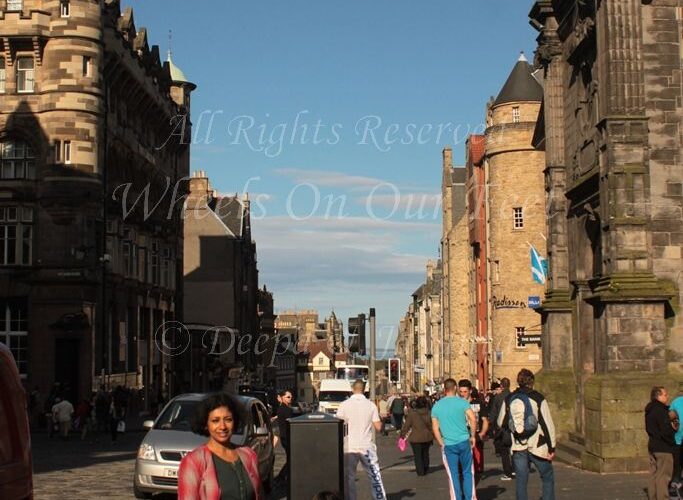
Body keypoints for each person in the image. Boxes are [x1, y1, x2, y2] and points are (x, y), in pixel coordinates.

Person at [178, 393, 262, 500]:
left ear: (235, 421)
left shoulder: (249, 456)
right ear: (205, 424)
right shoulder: (193, 462)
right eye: (215, 421)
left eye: (228, 419)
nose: (222, 426)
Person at [498, 369, 556, 500]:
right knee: (547, 476)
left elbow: (501, 421)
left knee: (521, 481)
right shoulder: (538, 398)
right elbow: (547, 423)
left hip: (519, 446)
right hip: (537, 444)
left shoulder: (509, 398)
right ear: (532, 382)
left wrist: (514, 429)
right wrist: (552, 447)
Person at [336, 379, 386, 500]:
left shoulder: (344, 405)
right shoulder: (371, 405)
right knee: (374, 474)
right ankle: (379, 498)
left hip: (349, 446)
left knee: (349, 476)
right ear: (364, 390)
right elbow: (379, 427)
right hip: (366, 445)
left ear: (353, 389)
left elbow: (338, 425)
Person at [432, 378, 477, 500]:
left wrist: (442, 443)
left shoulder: (437, 406)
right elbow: (473, 419)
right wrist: (472, 436)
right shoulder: (462, 402)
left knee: (453, 475)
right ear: (455, 388)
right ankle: (470, 498)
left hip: (449, 444)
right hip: (464, 441)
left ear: (444, 389)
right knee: (468, 473)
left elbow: (435, 428)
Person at [646, 386, 676, 500]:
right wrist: (672, 435)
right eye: (665, 395)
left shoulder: (650, 410)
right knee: (663, 476)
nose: (667, 397)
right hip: (663, 447)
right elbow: (666, 431)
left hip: (653, 445)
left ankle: (653, 496)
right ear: (658, 396)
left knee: (654, 474)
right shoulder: (661, 411)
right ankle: (662, 497)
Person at [458, 383, 488, 480]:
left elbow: (485, 420)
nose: (463, 394)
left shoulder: (478, 403)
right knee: (462, 463)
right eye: (461, 391)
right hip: (460, 436)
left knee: (476, 462)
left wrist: (482, 433)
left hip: (476, 435)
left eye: (465, 391)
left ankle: (475, 477)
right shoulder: (456, 404)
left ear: (470, 391)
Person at [400, 395, 434, 476]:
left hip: (415, 438)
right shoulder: (429, 413)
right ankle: (425, 467)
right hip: (427, 437)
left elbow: (406, 426)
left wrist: (402, 435)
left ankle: (420, 471)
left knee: (417, 455)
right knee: (425, 453)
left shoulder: (412, 414)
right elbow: (433, 425)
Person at [490, 378, 514, 480]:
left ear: (502, 386)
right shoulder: (514, 396)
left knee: (504, 451)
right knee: (514, 449)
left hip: (502, 427)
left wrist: (492, 426)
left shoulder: (498, 397)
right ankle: (514, 469)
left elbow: (494, 413)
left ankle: (507, 472)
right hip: (513, 426)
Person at [273, 389, 294, 487]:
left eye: (291, 397)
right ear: (282, 398)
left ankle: (282, 477)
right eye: (288, 397)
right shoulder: (287, 409)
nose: (290, 398)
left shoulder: (281, 408)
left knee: (290, 458)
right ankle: (281, 478)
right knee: (291, 459)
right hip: (287, 437)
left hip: (284, 437)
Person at [669, 392, 683, 495]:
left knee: (677, 463)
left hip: (677, 438)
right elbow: (670, 417)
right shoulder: (675, 402)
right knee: (677, 463)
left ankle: (676, 484)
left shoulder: (675, 402)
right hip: (677, 439)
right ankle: (675, 484)